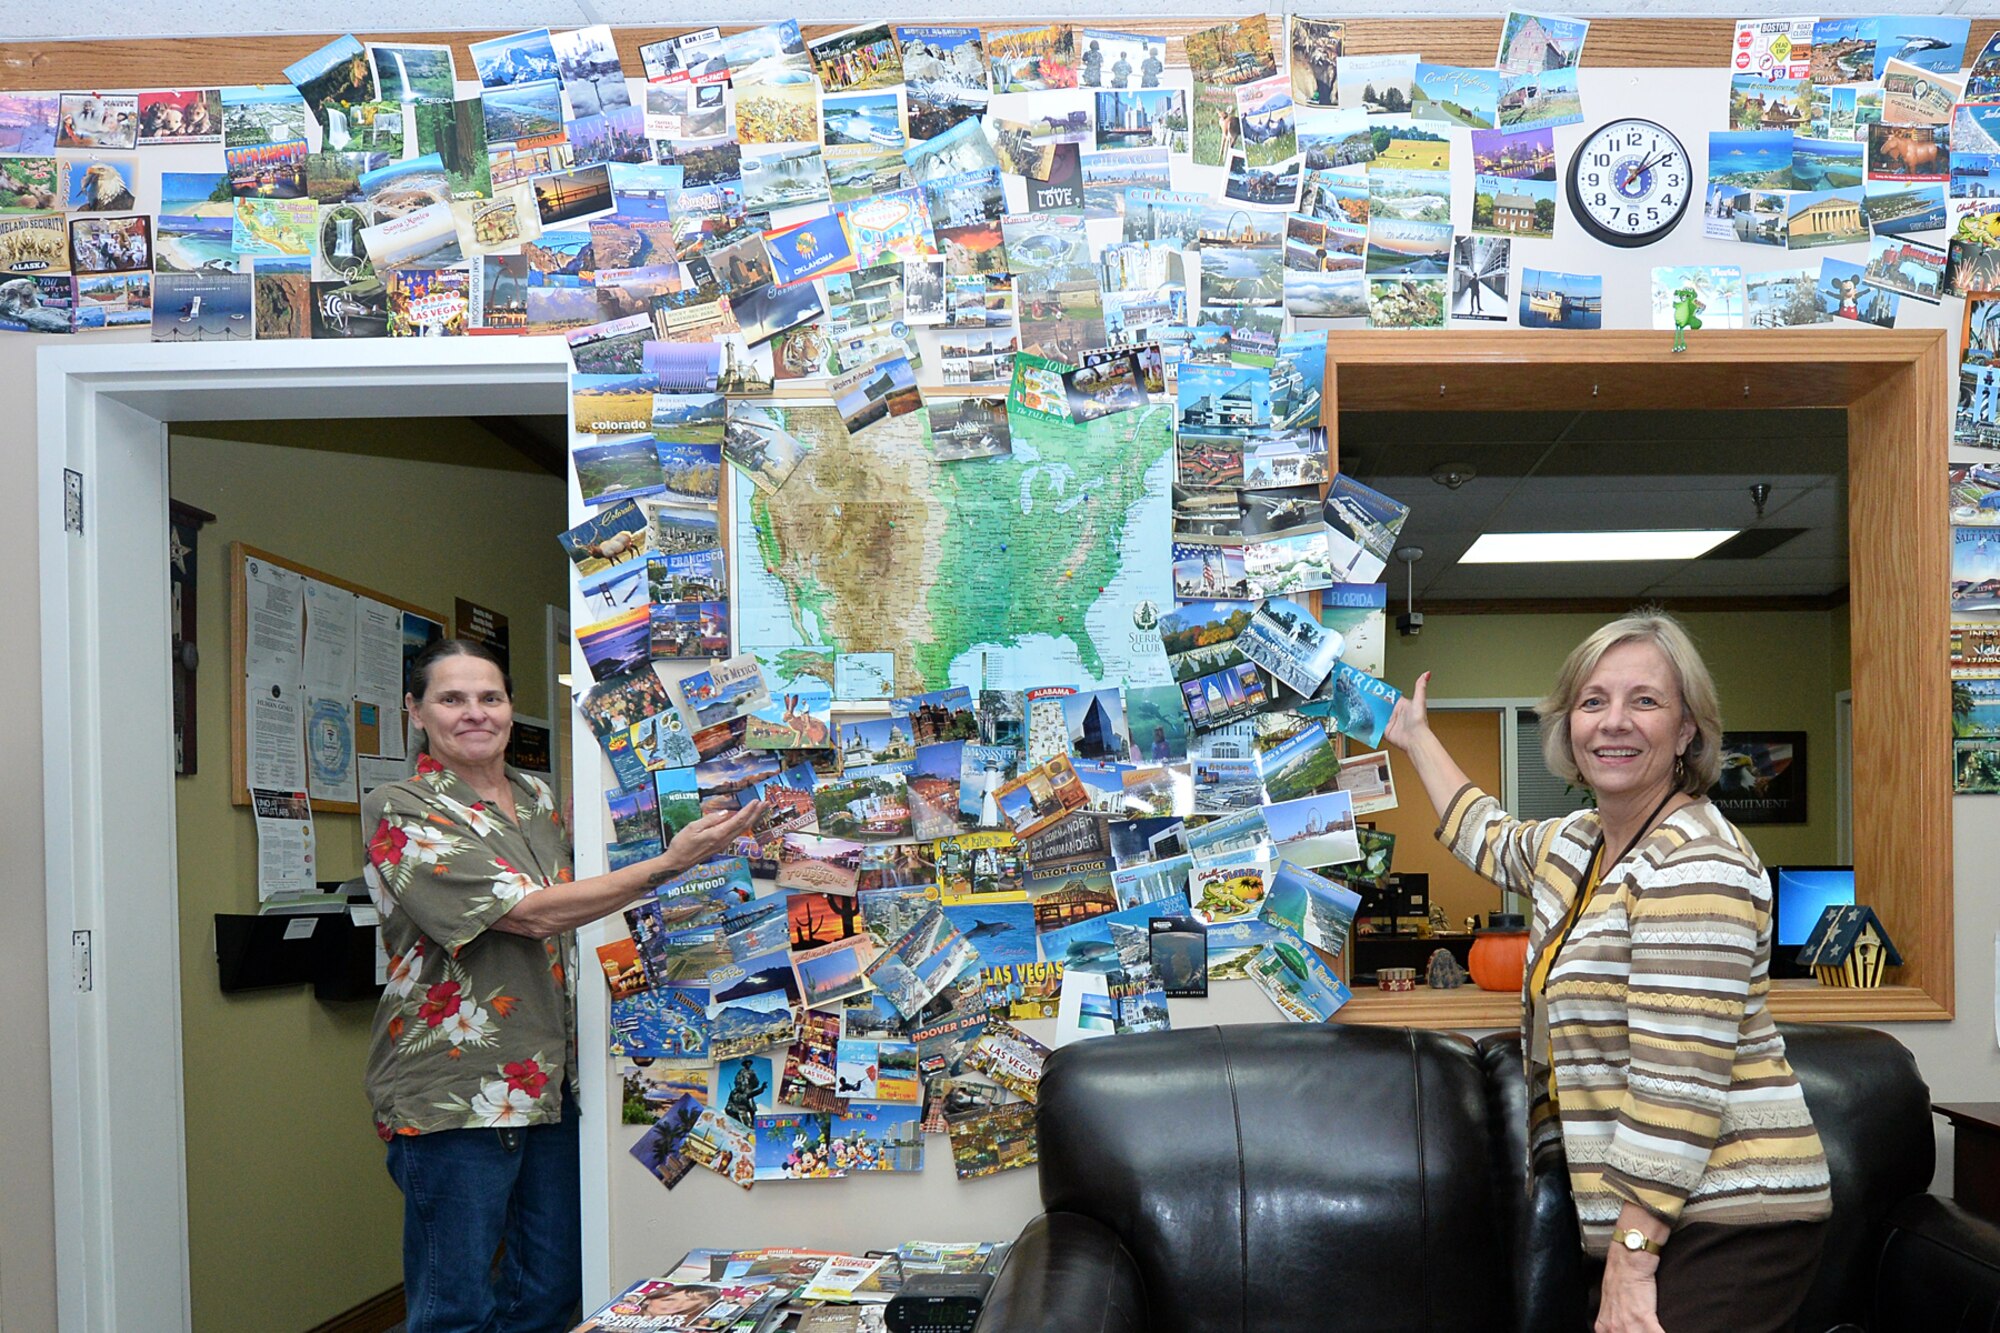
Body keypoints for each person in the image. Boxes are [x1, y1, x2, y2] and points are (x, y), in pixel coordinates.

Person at [1382, 613, 1831, 1333]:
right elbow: (1489, 836)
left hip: (1730, 1215)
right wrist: (1416, 737)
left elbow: (1677, 1086)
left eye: (1644, 700)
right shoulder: (1581, 842)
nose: (1613, 722)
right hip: (1658, 1218)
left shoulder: (1697, 863)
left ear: (1687, 730)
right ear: (1568, 725)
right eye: (1593, 701)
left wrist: (1630, 1257)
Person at [363, 639, 762, 1333]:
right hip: (454, 1094)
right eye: (451, 698)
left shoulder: (536, 797)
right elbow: (527, 912)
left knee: (549, 1290)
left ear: (512, 708)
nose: (474, 713)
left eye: (490, 697)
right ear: (415, 710)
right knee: (454, 1308)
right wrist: (670, 863)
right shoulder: (401, 808)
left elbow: (575, 908)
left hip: (548, 1083)